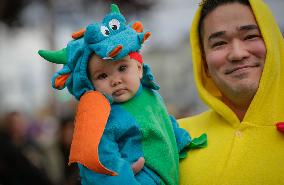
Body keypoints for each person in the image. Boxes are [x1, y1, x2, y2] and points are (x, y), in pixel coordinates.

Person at [38, 4, 206, 185]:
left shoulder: (150, 94)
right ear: (91, 85)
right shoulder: (100, 116)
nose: (115, 80)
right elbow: (98, 161)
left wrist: (182, 140)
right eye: (102, 75)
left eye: (122, 68)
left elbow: (163, 121)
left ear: (139, 69)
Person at [179, 0, 284, 184]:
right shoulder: (174, 137)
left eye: (250, 36)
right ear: (204, 62)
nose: (237, 53)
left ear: (273, 42)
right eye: (219, 43)